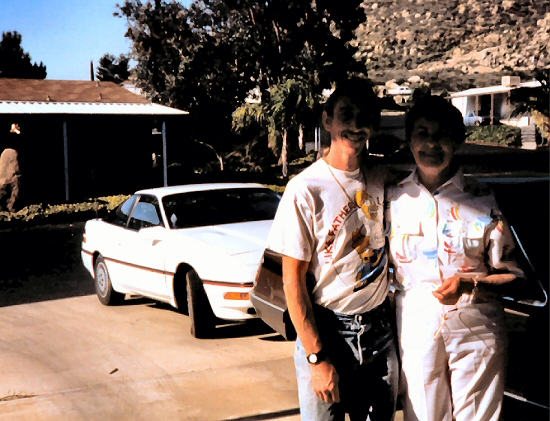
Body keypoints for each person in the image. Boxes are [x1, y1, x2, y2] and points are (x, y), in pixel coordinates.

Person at [268, 77, 399, 421]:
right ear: (327, 120)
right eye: (346, 114)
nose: (356, 124)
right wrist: (316, 357)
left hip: (379, 333)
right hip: (329, 333)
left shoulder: (380, 177)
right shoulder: (304, 189)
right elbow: (292, 283)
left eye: (364, 116)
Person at [386, 95, 523, 421]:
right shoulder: (391, 198)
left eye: (442, 134)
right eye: (422, 133)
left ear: (458, 140)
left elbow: (513, 274)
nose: (431, 143)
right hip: (417, 327)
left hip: (477, 328)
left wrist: (468, 283)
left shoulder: (485, 200)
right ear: (410, 140)